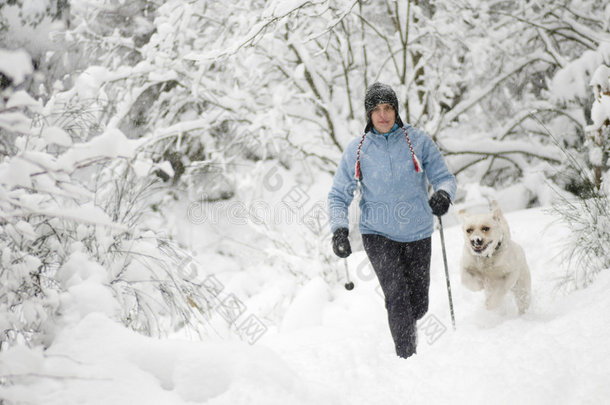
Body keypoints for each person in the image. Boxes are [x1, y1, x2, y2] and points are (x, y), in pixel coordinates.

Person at [328, 82, 457, 359]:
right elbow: (338, 195)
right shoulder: (357, 150)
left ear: (396, 110)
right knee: (396, 295)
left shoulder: (418, 141)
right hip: (377, 233)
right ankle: (407, 357)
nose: (383, 115)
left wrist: (444, 195)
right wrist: (339, 230)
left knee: (418, 304)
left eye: (388, 108)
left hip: (418, 231)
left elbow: (444, 177)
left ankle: (410, 331)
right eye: (376, 110)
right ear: (368, 114)